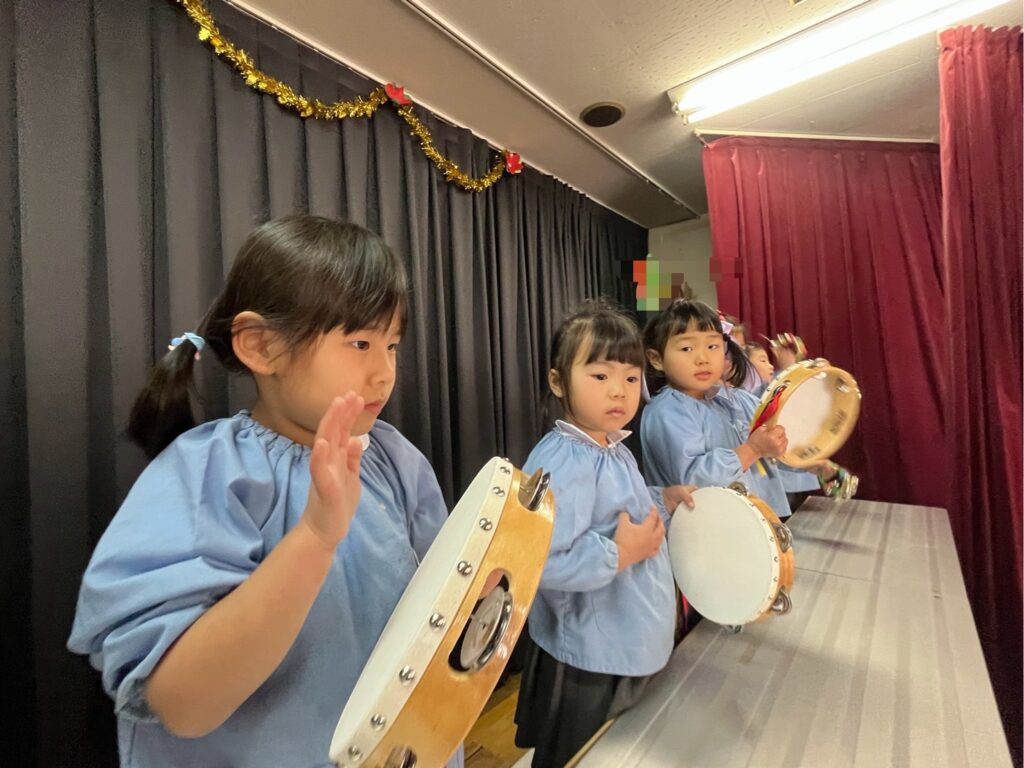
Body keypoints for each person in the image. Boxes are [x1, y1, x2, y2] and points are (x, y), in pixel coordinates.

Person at [67, 215, 464, 768]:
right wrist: (315, 538)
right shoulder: (210, 474)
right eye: (360, 342)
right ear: (261, 346)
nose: (384, 374)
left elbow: (444, 602)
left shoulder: (394, 458)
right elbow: (183, 704)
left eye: (392, 345)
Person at [513, 299, 694, 768]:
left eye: (631, 379)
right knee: (583, 753)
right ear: (559, 382)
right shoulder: (564, 459)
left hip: (623, 634)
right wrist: (618, 554)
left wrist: (663, 498)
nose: (619, 391)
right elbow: (541, 560)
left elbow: (621, 509)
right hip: (592, 654)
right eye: (599, 376)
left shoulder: (610, 446)